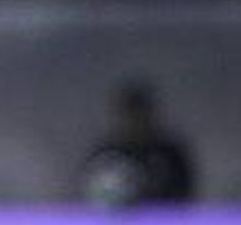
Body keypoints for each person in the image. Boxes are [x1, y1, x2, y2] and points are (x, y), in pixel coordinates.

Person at [78, 78, 196, 207]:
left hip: (163, 222)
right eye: (129, 114)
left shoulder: (169, 154)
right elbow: (89, 195)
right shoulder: (106, 154)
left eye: (140, 114)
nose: (135, 121)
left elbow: (185, 195)